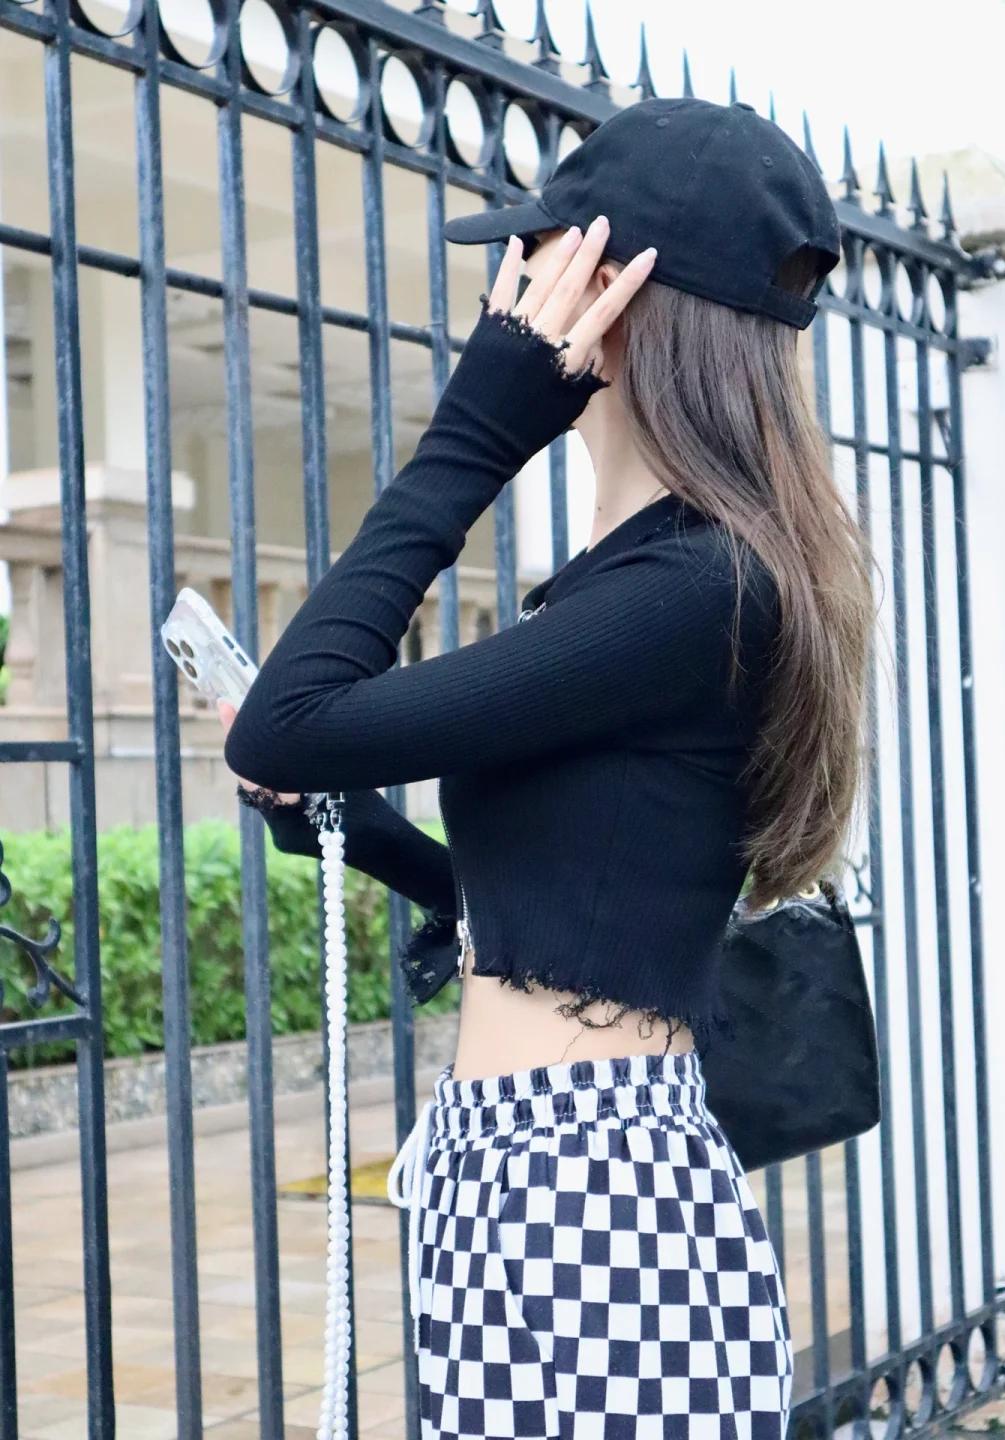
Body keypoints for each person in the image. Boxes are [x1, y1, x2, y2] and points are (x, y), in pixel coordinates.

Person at [220, 97, 874, 1440]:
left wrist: (480, 427)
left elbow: (283, 722)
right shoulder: (657, 579)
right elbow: (585, 905)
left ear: (616, 302)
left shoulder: (699, 587)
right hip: (528, 1168)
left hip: (586, 1190)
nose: (508, 291)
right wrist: (371, 835)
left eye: (538, 258)